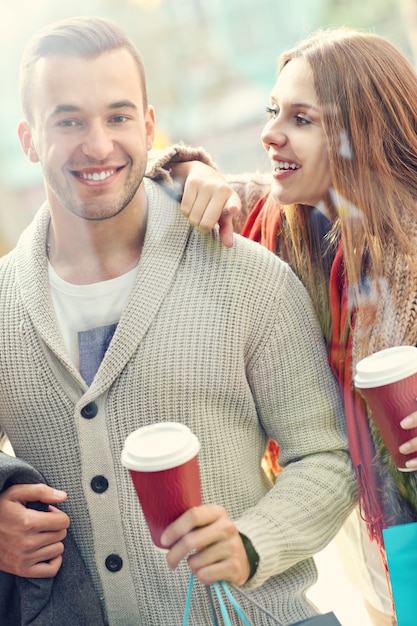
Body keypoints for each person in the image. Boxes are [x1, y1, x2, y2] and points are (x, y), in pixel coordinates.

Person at [0, 16, 356, 625]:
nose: (97, 144)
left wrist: (252, 542)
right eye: (68, 121)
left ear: (148, 125)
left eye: (117, 117)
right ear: (29, 140)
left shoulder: (248, 278)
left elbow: (327, 457)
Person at [152, 26, 417, 626]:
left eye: (302, 118)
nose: (270, 132)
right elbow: (149, 184)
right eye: (274, 110)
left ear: (361, 133)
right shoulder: (282, 219)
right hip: (369, 522)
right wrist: (188, 172)